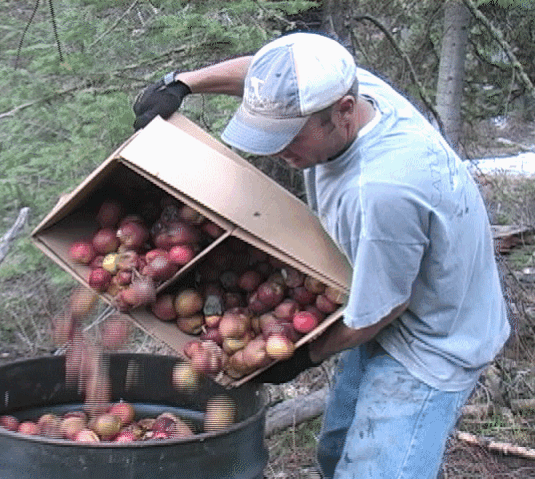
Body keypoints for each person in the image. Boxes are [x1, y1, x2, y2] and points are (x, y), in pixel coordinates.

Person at [133, 33, 511, 479]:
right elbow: (265, 75)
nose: (277, 149)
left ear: (344, 113)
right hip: (374, 298)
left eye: (289, 136)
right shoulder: (349, 88)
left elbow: (381, 311)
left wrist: (302, 358)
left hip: (432, 341)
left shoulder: (381, 191)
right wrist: (184, 83)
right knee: (335, 453)